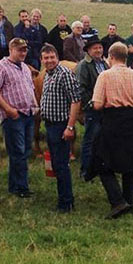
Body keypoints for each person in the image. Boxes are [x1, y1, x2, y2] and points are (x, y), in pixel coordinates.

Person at [89, 42, 133, 219]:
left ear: (111, 57)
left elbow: (98, 104)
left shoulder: (105, 76)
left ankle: (117, 201)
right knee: (129, 163)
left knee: (102, 161)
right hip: (132, 122)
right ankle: (129, 201)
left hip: (112, 122)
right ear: (126, 57)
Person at [0, 38, 37, 197]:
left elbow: (30, 88)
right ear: (11, 50)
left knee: (25, 151)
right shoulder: (0, 67)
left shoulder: (25, 68)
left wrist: (35, 106)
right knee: (17, 152)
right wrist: (8, 110)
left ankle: (15, 186)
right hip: (14, 116)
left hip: (28, 114)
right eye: (20, 50)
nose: (23, 53)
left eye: (25, 50)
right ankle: (21, 188)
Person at [39, 44, 80, 212]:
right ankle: (63, 197)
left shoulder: (64, 74)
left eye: (52, 57)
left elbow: (76, 100)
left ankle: (66, 202)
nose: (49, 61)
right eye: (46, 58)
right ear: (41, 60)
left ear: (57, 57)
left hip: (60, 126)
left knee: (62, 165)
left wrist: (70, 127)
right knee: (56, 164)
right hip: (49, 125)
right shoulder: (48, 75)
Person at [76, 37, 108, 180]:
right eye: (95, 48)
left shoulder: (104, 64)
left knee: (102, 140)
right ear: (88, 50)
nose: (98, 50)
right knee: (90, 139)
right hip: (93, 108)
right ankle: (86, 171)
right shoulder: (84, 65)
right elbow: (80, 88)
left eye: (100, 48)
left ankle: (99, 168)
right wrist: (91, 103)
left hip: (105, 108)